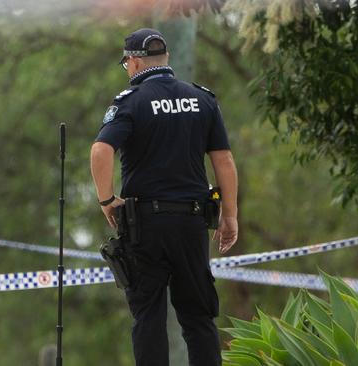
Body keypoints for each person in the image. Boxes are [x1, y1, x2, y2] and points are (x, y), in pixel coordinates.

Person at [90, 28, 238, 366]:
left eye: (126, 63)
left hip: (145, 226)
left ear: (135, 61)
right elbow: (224, 161)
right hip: (192, 223)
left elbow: (100, 150)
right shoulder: (202, 99)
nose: (127, 70)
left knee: (149, 317)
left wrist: (107, 200)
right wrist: (229, 215)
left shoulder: (131, 101)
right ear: (165, 59)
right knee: (199, 318)